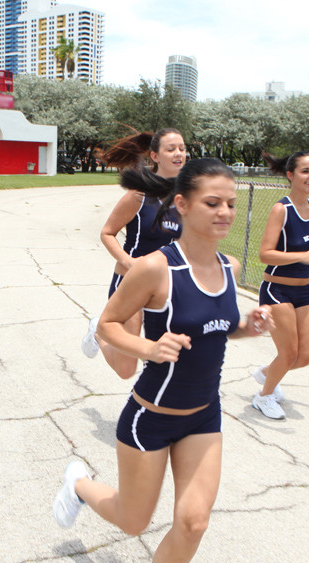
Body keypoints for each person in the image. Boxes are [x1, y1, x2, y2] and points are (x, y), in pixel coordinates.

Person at [54, 158, 274, 563]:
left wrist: (246, 327)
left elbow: (214, 329)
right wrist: (149, 347)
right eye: (213, 202)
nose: (225, 212)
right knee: (133, 521)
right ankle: (78, 484)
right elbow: (108, 325)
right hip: (149, 419)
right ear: (182, 203)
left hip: (203, 417)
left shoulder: (229, 267)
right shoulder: (156, 268)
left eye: (232, 204)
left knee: (194, 521)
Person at [81, 128, 185, 379]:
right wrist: (129, 262)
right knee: (126, 369)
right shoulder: (140, 195)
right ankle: (98, 331)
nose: (178, 153)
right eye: (170, 149)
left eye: (182, 148)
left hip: (163, 289)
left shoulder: (186, 199)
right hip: (130, 283)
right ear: (155, 156)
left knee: (168, 355)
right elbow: (107, 232)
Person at [252, 152, 309, 420]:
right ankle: (263, 397)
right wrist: (302, 257)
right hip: (276, 289)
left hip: (304, 290)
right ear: (291, 175)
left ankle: (266, 373)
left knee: (304, 356)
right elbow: (265, 254)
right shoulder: (281, 209)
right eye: (306, 171)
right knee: (289, 352)